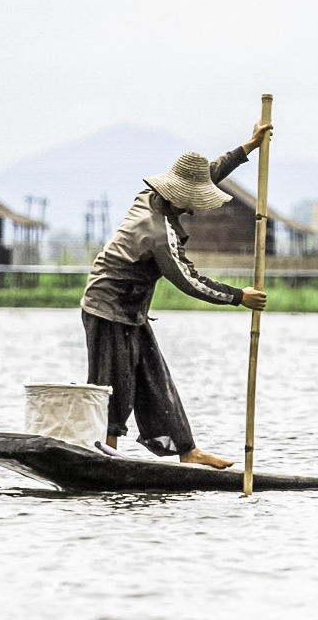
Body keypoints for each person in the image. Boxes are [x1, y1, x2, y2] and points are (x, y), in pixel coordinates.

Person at [79, 122, 272, 468]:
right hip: (107, 306)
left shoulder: (152, 196)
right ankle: (104, 454)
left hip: (132, 309)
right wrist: (237, 297)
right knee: (114, 385)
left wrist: (248, 147)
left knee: (154, 378)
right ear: (181, 197)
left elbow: (207, 174)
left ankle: (187, 451)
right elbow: (188, 280)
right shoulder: (157, 232)